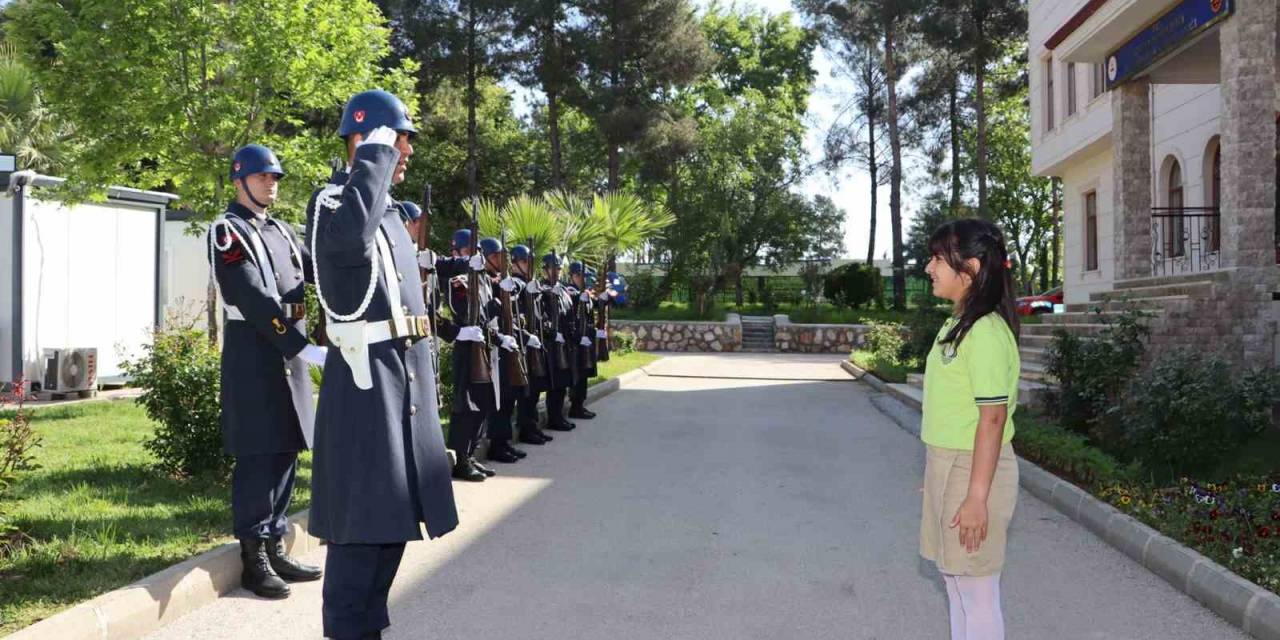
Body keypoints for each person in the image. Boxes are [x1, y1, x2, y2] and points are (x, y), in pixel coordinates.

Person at [305, 89, 462, 640]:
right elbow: (349, 249)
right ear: (365, 140)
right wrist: (372, 158)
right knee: (360, 536)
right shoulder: (332, 206)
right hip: (364, 395)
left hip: (405, 389)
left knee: (392, 530)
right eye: (399, 140)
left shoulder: (391, 216)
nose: (407, 152)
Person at [207, 143, 326, 600]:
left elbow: (313, 274)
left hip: (287, 353)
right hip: (254, 353)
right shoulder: (228, 232)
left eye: (275, 178)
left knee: (286, 449)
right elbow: (251, 298)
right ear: (240, 181)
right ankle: (253, 558)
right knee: (259, 453)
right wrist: (300, 345)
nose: (271, 184)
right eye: (262, 177)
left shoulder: (280, 230)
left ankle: (275, 543)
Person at [919, 218, 1021, 640]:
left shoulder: (985, 333)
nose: (928, 268)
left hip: (975, 472)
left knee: (977, 592)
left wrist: (976, 496)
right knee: (955, 581)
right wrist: (937, 474)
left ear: (972, 269)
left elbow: (993, 418)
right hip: (951, 465)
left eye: (938, 258)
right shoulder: (958, 325)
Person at [445, 231, 515, 481]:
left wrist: (499, 338)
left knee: (482, 404)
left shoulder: (485, 280)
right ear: (460, 252)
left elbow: (487, 320)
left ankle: (472, 454)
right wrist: (459, 332)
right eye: (469, 250)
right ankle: (461, 459)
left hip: (483, 347)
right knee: (466, 406)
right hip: (466, 347)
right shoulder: (458, 279)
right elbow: (457, 311)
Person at [484, 239, 532, 464]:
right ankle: (496, 445)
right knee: (500, 400)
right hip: (493, 347)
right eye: (494, 256)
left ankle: (504, 443)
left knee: (510, 397)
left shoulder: (503, 282)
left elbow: (516, 291)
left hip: (508, 343)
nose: (498, 261)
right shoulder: (486, 282)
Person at [510, 245, 553, 446]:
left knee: (535, 389)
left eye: (530, 262)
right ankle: (525, 428)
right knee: (525, 391)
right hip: (521, 342)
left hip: (534, 342)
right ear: (514, 263)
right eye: (525, 261)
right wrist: (526, 336)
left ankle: (532, 426)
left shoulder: (531, 285)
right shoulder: (514, 284)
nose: (528, 266)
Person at [539, 253, 577, 431]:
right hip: (551, 342)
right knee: (555, 382)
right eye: (553, 268)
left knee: (563, 382)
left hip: (565, 340)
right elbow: (540, 315)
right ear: (545, 269)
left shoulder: (561, 289)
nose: (557, 272)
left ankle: (558, 415)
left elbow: (568, 312)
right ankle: (553, 417)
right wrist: (550, 332)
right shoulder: (541, 288)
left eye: (559, 268)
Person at [566, 262, 598, 420]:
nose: (581, 278)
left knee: (584, 374)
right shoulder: (569, 291)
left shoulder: (585, 293)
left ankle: (580, 405)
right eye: (578, 275)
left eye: (583, 276)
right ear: (572, 276)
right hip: (575, 341)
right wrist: (579, 297)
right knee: (577, 375)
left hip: (586, 339)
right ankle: (575, 406)